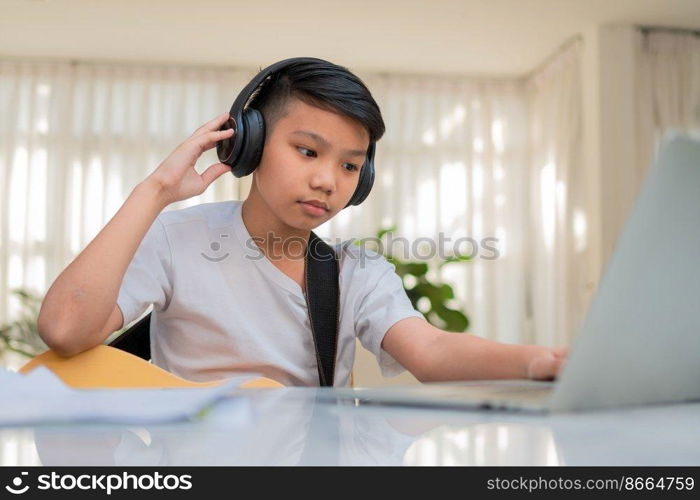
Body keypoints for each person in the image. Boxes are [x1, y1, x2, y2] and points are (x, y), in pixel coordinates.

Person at [37, 58, 567, 387]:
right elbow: (65, 330)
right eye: (308, 151)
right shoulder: (179, 240)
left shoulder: (357, 273)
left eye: (349, 165)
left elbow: (428, 351)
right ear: (249, 142)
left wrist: (541, 360)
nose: (327, 180)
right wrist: (154, 193)